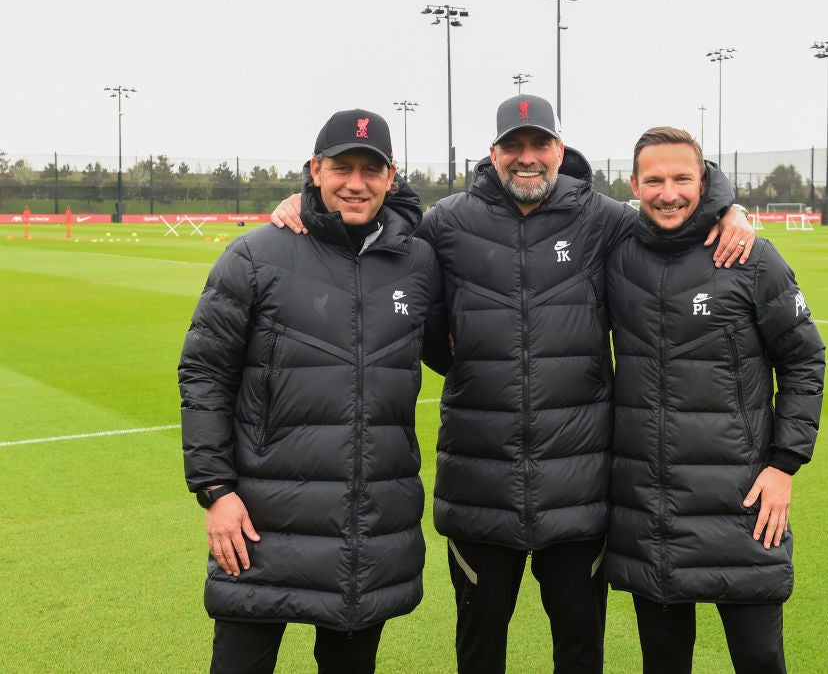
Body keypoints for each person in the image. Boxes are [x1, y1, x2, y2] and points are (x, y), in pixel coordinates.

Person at [270, 95, 755, 674]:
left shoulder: (605, 220)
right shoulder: (449, 222)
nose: (528, 158)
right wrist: (303, 203)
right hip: (480, 482)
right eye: (514, 146)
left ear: (559, 149)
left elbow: (674, 208)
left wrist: (727, 204)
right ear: (494, 152)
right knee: (479, 650)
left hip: (578, 488)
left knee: (580, 650)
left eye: (539, 145)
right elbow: (381, 220)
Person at [179, 108, 447, 673]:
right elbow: (205, 372)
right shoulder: (255, 255)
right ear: (314, 170)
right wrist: (213, 489)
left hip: (364, 522)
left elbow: (456, 348)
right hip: (259, 521)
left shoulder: (418, 262)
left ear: (391, 177)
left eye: (371, 170)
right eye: (341, 167)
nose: (356, 183)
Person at [603, 126, 826, 673]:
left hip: (743, 501)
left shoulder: (752, 257)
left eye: (683, 178)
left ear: (705, 181)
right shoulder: (615, 253)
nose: (669, 192)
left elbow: (803, 360)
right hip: (650, 505)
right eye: (653, 180)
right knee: (664, 661)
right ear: (634, 184)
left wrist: (784, 465)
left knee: (758, 658)